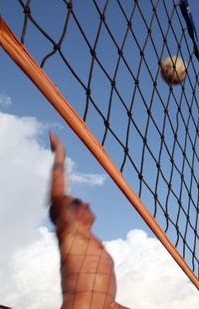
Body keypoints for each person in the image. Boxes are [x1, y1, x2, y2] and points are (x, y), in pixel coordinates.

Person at [48, 132, 128, 309]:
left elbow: (107, 300)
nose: (85, 203)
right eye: (76, 203)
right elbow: (57, 195)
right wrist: (60, 154)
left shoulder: (95, 246)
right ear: (64, 214)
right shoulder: (71, 233)